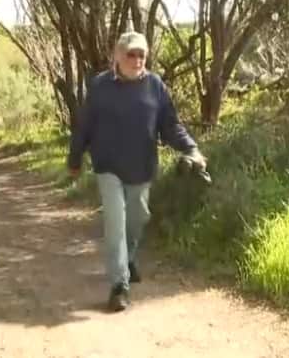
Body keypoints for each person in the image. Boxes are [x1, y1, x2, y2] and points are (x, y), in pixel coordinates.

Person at [67, 30, 206, 312]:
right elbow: (84, 125)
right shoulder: (100, 86)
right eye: (131, 53)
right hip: (108, 167)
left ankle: (128, 259)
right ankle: (120, 285)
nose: (137, 59)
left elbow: (170, 125)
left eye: (142, 54)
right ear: (117, 57)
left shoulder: (155, 86)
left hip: (141, 166)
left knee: (138, 218)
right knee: (115, 225)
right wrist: (75, 158)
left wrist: (191, 148)